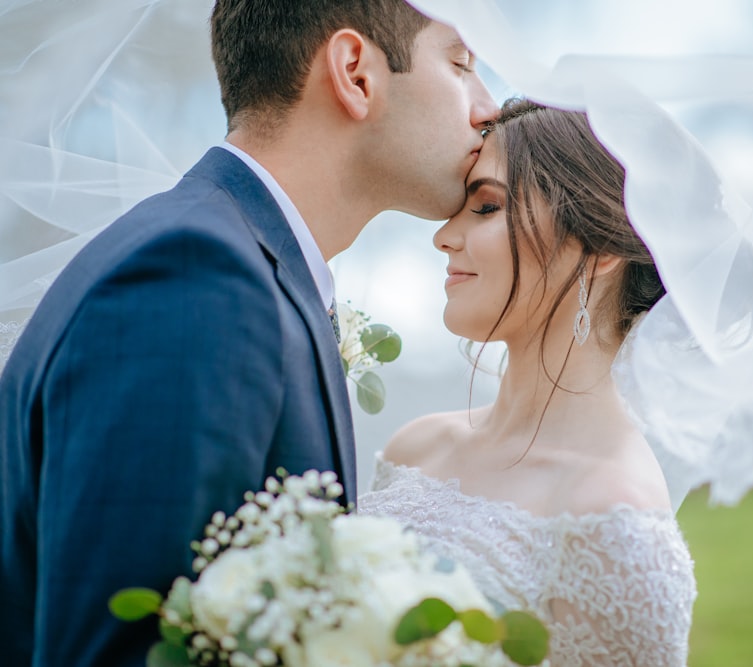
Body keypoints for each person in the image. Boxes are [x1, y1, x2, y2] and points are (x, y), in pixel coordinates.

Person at [0, 1, 497, 665]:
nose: (488, 105)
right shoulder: (191, 279)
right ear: (355, 73)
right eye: (461, 63)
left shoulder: (238, 264)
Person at [360, 98, 697, 666]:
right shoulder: (414, 448)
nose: (444, 235)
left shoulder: (618, 519)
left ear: (600, 249)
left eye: (486, 207)